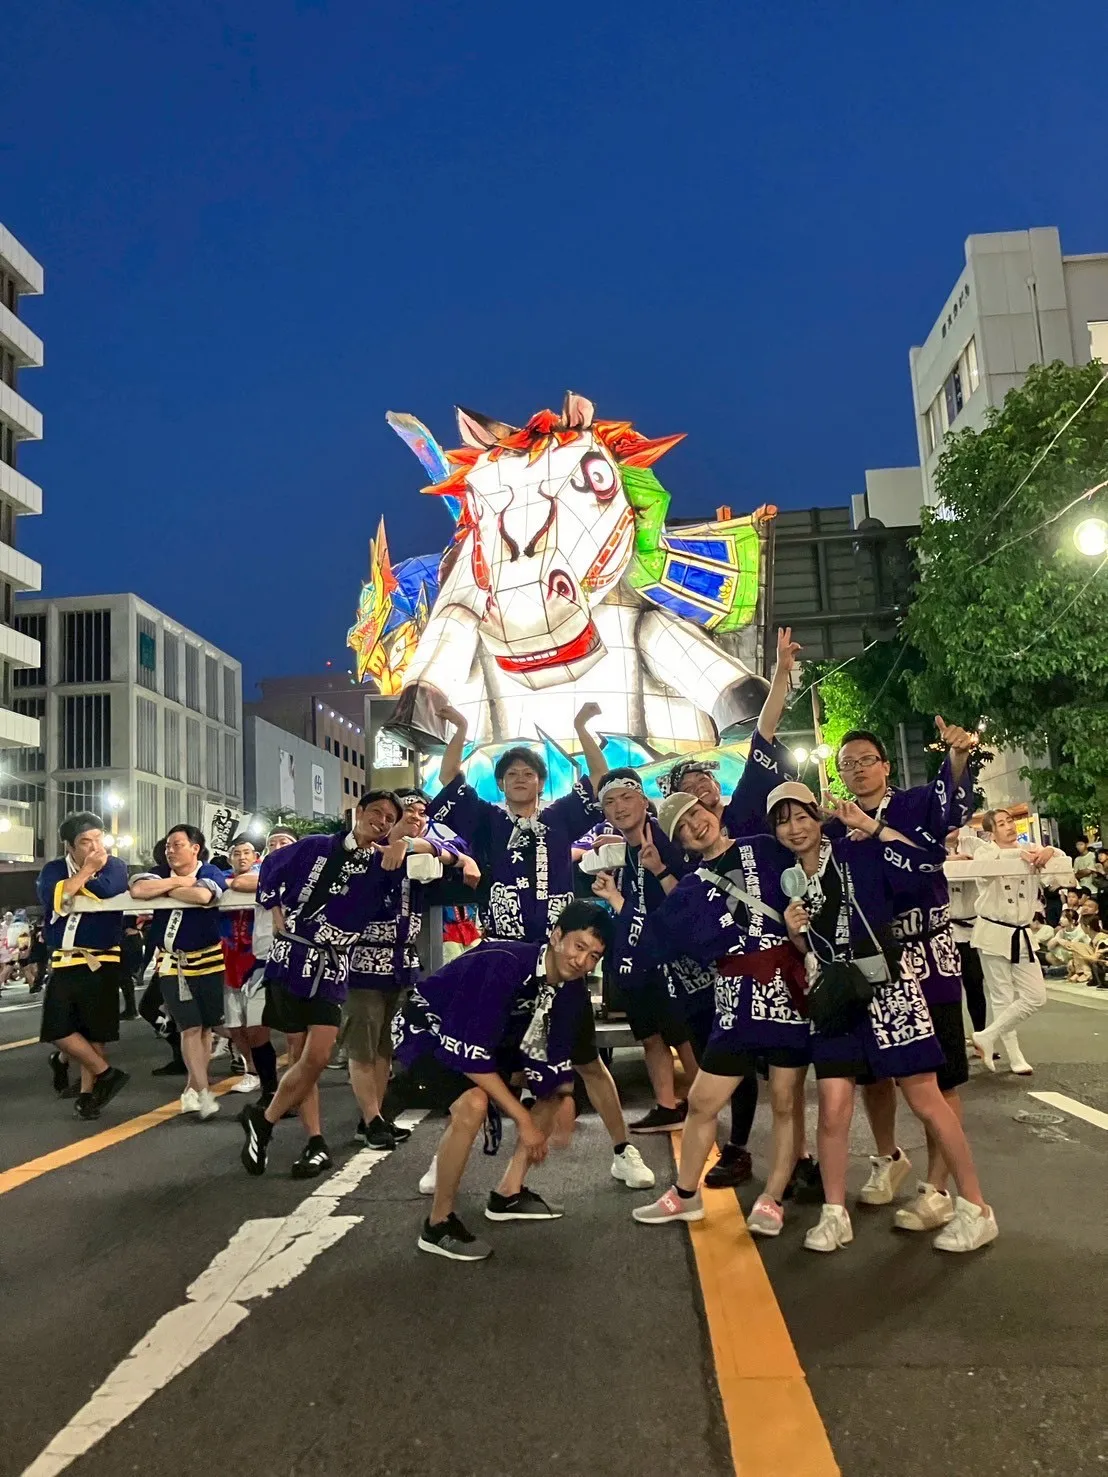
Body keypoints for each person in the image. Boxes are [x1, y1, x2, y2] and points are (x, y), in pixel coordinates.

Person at [389, 900, 616, 1261]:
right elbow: (470, 1058)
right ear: (557, 937)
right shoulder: (504, 963)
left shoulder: (571, 990)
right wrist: (524, 1120)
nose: (582, 961)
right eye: (579, 946)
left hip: (489, 1038)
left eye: (593, 956)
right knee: (473, 1103)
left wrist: (564, 1097)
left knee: (553, 1089)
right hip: (427, 1030)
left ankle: (508, 1193)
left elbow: (553, 1057)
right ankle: (438, 1224)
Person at [239, 791, 442, 1178]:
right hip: (293, 957)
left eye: (390, 818)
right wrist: (275, 907)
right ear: (358, 812)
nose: (382, 821)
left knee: (317, 1057)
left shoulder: (384, 861)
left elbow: (448, 854)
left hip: (335, 965)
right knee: (300, 1050)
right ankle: (313, 1139)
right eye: (377, 813)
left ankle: (263, 1120)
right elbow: (270, 869)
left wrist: (409, 845)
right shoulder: (316, 846)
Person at [830, 722, 975, 1220]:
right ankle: (888, 1157)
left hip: (928, 956)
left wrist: (957, 758)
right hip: (873, 963)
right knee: (874, 1074)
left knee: (940, 1079)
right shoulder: (835, 825)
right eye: (847, 764)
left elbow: (950, 807)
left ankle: (938, 1188)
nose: (857, 770)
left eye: (866, 760)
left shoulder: (914, 805)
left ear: (886, 766)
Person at [425, 703, 604, 942]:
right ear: (501, 783)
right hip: (502, 944)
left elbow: (599, 779)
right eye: (512, 774)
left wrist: (580, 727)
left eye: (528, 774)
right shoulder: (486, 818)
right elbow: (448, 777)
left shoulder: (559, 817)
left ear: (541, 783)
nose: (520, 779)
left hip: (558, 945)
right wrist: (461, 728)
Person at [37, 812, 132, 1120]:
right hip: (65, 959)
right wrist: (88, 872)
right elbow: (54, 900)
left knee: (95, 1032)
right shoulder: (53, 869)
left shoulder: (116, 865)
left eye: (98, 839)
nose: (94, 847)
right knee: (57, 1028)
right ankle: (106, 1074)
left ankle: (89, 1095)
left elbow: (106, 890)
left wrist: (73, 886)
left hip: (102, 959)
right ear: (69, 846)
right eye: (84, 842)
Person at [130, 825, 228, 1120]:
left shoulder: (209, 870)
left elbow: (203, 896)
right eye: (168, 846)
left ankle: (192, 1088)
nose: (170, 851)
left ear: (195, 848)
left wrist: (169, 888)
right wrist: (179, 882)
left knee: (207, 1027)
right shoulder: (159, 871)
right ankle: (204, 1091)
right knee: (189, 1026)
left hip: (209, 960)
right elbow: (138, 890)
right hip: (172, 962)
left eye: (177, 845)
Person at [961, 812, 1071, 1073]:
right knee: (1002, 995)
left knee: (1036, 996)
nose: (1009, 826)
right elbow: (985, 869)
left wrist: (1050, 851)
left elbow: (1061, 874)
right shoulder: (985, 852)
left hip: (1023, 932)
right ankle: (1014, 1055)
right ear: (991, 832)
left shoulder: (1031, 848)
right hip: (992, 932)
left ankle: (987, 1035)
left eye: (1010, 821)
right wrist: (1021, 855)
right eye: (1001, 824)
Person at [222, 825, 298, 1108]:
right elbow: (240, 883)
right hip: (263, 960)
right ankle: (270, 1091)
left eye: (284, 843)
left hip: (298, 960)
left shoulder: (306, 874)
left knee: (295, 1034)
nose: (277, 848)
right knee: (254, 1028)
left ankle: (295, 1094)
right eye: (272, 844)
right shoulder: (262, 875)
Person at [218, 835, 266, 1095]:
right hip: (229, 956)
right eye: (236, 853)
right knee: (234, 1023)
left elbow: (244, 883)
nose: (242, 857)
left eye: (247, 853)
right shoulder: (220, 877)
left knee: (257, 1022)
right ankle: (252, 1069)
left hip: (258, 956)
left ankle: (267, 1073)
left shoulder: (265, 875)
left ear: (256, 856)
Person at [946, 828, 987, 1037]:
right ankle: (952, 1041)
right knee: (947, 991)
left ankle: (981, 1036)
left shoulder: (974, 844)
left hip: (971, 929)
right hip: (942, 932)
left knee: (975, 984)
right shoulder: (927, 847)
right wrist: (948, 861)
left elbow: (994, 857)